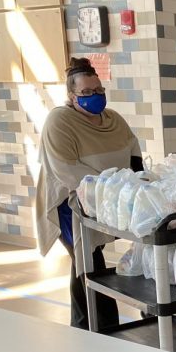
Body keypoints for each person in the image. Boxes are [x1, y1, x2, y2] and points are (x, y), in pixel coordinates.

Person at [35, 57, 143, 329]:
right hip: (69, 203)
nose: (95, 96)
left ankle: (85, 325)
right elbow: (67, 170)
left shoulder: (113, 119)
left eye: (99, 90)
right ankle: (101, 327)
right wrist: (115, 188)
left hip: (106, 199)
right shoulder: (59, 121)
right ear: (72, 96)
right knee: (88, 260)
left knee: (87, 261)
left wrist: (140, 181)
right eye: (86, 93)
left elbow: (133, 152)